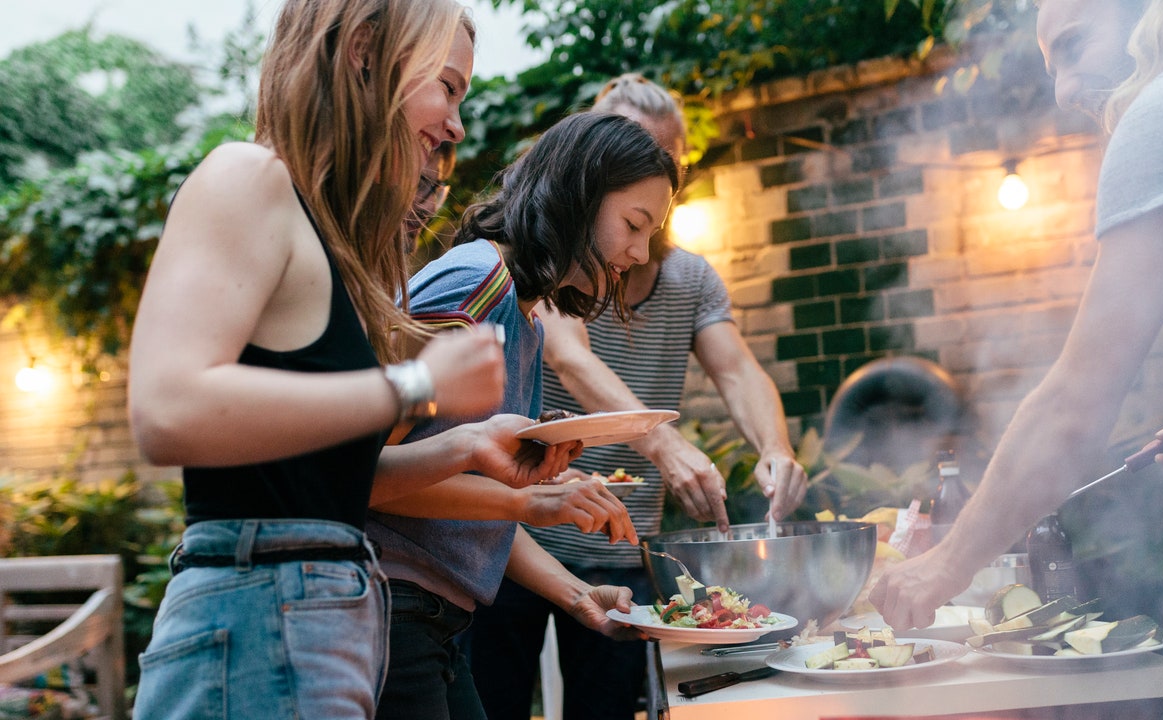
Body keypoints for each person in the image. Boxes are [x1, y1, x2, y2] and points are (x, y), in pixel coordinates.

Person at [121, 2, 568, 717]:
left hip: (318, 623)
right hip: (257, 617)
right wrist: (417, 386)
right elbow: (167, 407)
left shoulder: (325, 243)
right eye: (447, 87)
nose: (456, 124)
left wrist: (467, 444)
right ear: (364, 51)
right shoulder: (245, 177)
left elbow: (309, 483)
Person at [869, 0, 1163, 631]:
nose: (1062, 92)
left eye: (1074, 45)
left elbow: (1077, 403)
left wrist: (946, 564)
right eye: (1048, 65)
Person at [468, 73, 809, 720]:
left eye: (665, 162)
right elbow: (568, 353)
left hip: (622, 553)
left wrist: (776, 447)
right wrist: (662, 443)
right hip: (517, 539)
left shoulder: (688, 278)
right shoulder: (566, 265)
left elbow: (737, 371)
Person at [365, 110, 681, 720]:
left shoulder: (525, 312)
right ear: (578, 197)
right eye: (633, 225)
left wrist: (578, 594)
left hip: (436, 620)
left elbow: (457, 498)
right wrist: (529, 503)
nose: (640, 254)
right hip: (391, 611)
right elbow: (366, 476)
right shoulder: (474, 281)